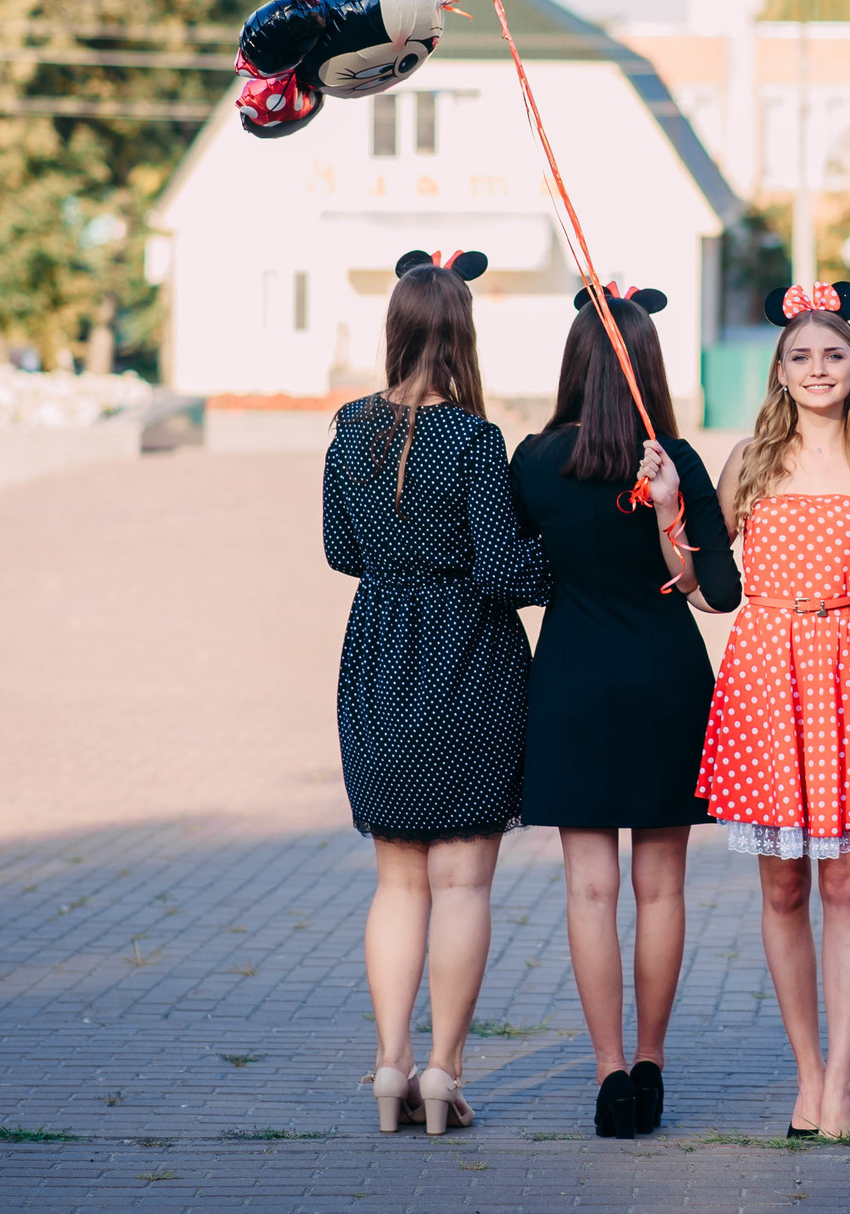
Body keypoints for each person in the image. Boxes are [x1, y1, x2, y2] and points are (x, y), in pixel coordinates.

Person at [697, 281, 850, 1139]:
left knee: (845, 881)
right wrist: (665, 519)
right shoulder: (749, 463)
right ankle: (805, 1071)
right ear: (779, 369)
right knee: (782, 883)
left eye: (832, 353)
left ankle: (841, 1082)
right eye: (800, 355)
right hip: (764, 673)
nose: (817, 368)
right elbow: (706, 585)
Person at [322, 250, 550, 1137]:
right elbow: (502, 569)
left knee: (397, 881)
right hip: (469, 659)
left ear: (394, 330)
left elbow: (342, 551)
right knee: (463, 882)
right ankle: (443, 1070)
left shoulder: (349, 429)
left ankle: (389, 1064)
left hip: (380, 655)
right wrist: (566, 569)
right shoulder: (475, 439)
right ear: (463, 335)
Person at [510, 284, 741, 1140]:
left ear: (575, 362)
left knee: (589, 887)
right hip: (664, 681)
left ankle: (609, 1073)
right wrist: (671, 511)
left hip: (570, 679)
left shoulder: (535, 460)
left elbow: (511, 567)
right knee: (662, 886)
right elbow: (718, 592)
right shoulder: (672, 454)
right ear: (648, 365)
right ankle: (650, 1062)